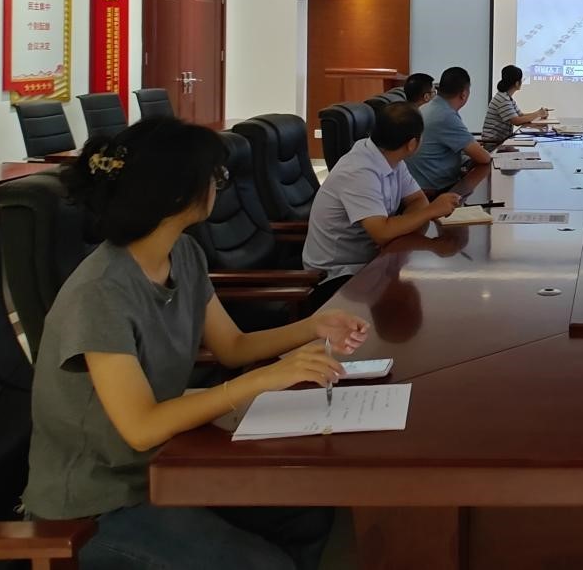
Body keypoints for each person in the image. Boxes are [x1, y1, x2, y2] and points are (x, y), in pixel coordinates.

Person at [23, 117, 369, 570]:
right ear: (175, 194)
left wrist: (314, 327)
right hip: (96, 506)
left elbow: (233, 346)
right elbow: (141, 427)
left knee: (306, 509)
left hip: (165, 465)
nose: (219, 185)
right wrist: (262, 380)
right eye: (215, 176)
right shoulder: (100, 293)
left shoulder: (183, 254)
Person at [303, 102, 459, 303]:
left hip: (374, 260)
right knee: (429, 293)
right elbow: (382, 232)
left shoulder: (391, 158)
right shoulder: (359, 171)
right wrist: (430, 213)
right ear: (412, 144)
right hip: (336, 274)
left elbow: (417, 199)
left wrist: (400, 229)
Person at [406, 66, 492, 195]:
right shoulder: (445, 115)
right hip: (434, 190)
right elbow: (484, 158)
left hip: (420, 185)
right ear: (464, 94)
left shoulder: (430, 107)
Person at [481, 65, 549, 149]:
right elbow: (516, 121)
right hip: (494, 144)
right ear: (517, 83)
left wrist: (539, 113)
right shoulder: (503, 99)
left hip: (502, 141)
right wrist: (538, 114)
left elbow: (520, 115)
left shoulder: (506, 97)